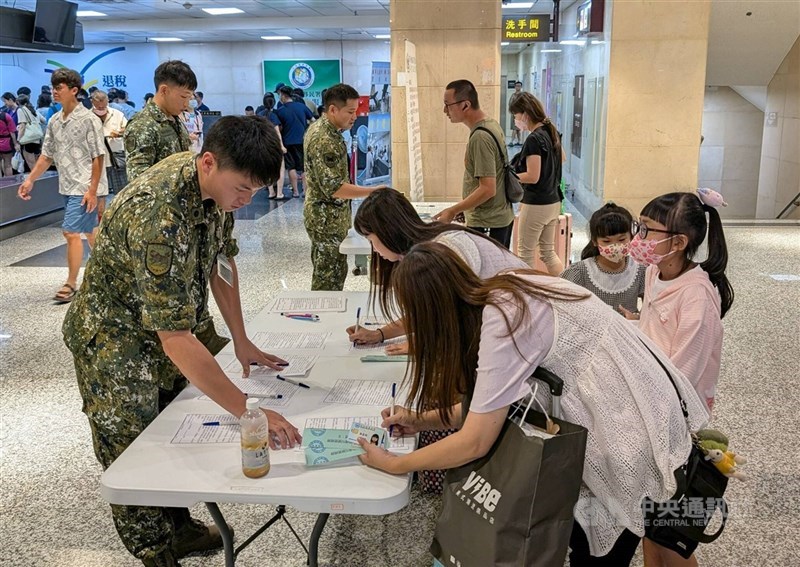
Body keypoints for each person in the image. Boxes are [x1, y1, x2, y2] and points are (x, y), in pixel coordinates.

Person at [357, 242, 709, 566]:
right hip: (631, 412)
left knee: (623, 545)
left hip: (626, 433)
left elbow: (476, 439)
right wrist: (422, 421)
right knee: (635, 538)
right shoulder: (503, 287)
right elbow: (493, 407)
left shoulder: (505, 317)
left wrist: (396, 464)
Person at [61, 115, 301, 567]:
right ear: (208, 162)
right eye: (243, 189)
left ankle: (182, 530)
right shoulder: (159, 212)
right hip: (116, 343)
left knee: (173, 434)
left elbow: (220, 262)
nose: (247, 200)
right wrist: (250, 413)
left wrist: (241, 339)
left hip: (168, 329)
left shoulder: (215, 194)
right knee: (134, 450)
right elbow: (174, 336)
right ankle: (155, 553)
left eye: (255, 191)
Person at [629, 192, 734, 567]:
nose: (637, 237)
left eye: (646, 229)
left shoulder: (698, 298)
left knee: (671, 536)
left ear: (678, 242)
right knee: (650, 528)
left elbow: (681, 380)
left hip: (676, 425)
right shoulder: (656, 271)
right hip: (646, 414)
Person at [346, 187, 527, 355]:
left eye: (371, 240)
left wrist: (422, 343)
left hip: (525, 320)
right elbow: (429, 312)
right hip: (508, 320)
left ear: (388, 231)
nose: (374, 250)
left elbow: (454, 315)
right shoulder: (418, 251)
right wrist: (380, 334)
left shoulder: (447, 248)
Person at [17, 68, 107, 303]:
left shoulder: (89, 120)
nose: (54, 92)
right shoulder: (55, 121)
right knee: (89, 231)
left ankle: (71, 283)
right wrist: (30, 180)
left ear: (74, 90)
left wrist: (92, 190)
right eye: (53, 87)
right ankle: (109, 272)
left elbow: (99, 156)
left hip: (84, 186)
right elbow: (47, 156)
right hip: (66, 185)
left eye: (59, 88)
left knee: (70, 232)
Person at [303, 83, 384, 291]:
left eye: (356, 111)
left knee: (334, 273)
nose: (354, 117)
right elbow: (334, 187)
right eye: (350, 112)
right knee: (327, 280)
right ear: (332, 110)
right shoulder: (323, 139)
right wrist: (372, 191)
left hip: (331, 218)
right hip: (325, 220)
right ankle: (323, 321)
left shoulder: (331, 133)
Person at [434, 80, 515, 248]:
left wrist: (453, 210)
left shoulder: (480, 137)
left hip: (488, 222)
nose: (445, 111)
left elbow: (487, 188)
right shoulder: (490, 125)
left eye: (447, 105)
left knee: (486, 273)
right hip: (497, 218)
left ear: (465, 105)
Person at [508, 91, 565, 274]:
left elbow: (533, 176)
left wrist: (508, 178)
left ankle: (531, 296)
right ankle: (562, 288)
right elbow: (562, 158)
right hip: (554, 201)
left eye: (515, 115)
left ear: (524, 113)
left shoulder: (534, 138)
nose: (515, 120)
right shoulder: (551, 131)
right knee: (548, 252)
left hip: (536, 203)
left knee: (525, 254)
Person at [561, 202, 646, 315]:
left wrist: (637, 318)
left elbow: (650, 311)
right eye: (606, 241)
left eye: (621, 240)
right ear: (595, 241)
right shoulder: (580, 272)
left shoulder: (640, 270)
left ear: (631, 236)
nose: (615, 246)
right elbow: (563, 307)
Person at [124, 60, 195, 181]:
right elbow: (139, 180)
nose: (186, 104)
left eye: (189, 98)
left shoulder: (174, 119)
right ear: (164, 90)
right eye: (183, 96)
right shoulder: (142, 125)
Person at [275, 85, 313, 198]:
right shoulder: (302, 107)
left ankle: (295, 192)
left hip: (288, 142)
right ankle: (306, 191)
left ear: (283, 95)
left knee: (291, 167)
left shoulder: (280, 111)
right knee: (304, 167)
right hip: (303, 140)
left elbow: (278, 128)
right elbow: (313, 121)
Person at [91, 90, 128, 194]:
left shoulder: (117, 114)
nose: (101, 109)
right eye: (99, 108)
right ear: (93, 103)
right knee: (99, 193)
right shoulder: (88, 117)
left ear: (107, 102)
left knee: (122, 191)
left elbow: (128, 129)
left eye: (103, 107)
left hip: (116, 158)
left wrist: (119, 132)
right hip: (97, 160)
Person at [15, 93, 43, 171]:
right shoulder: (32, 110)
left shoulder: (21, 110)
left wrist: (18, 140)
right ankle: (41, 180)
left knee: (31, 164)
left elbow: (22, 126)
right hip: (36, 139)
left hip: (27, 140)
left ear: (18, 102)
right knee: (36, 163)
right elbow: (43, 120)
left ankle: (36, 182)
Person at [0, 106, 19, 176]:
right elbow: (12, 131)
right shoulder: (5, 116)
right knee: (8, 165)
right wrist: (15, 143)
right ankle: (9, 184)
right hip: (6, 143)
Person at [509, 81, 523, 146]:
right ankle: (519, 141)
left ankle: (512, 141)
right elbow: (510, 103)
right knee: (516, 128)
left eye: (519, 86)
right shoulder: (513, 95)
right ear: (515, 87)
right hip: (514, 113)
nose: (518, 87)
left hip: (519, 114)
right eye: (517, 86)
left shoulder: (522, 95)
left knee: (516, 128)